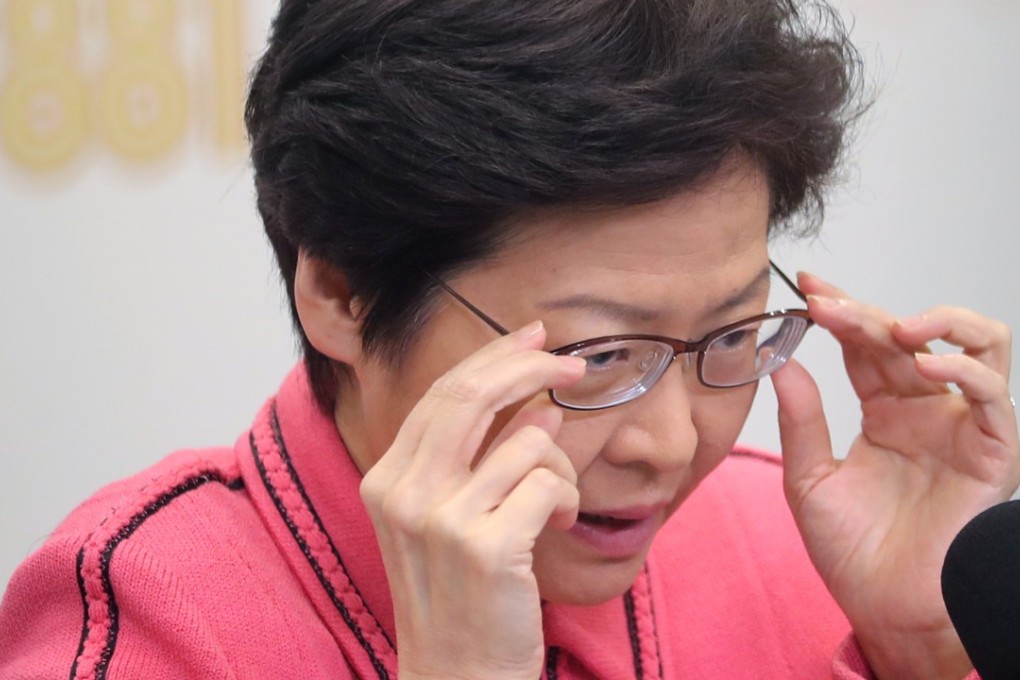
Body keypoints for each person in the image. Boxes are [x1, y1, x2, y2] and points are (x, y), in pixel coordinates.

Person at [2, 0, 1017, 678]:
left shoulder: (795, 540)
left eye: (734, 331)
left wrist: (918, 649)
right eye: (597, 356)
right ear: (341, 291)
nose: (670, 443)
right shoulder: (144, 621)